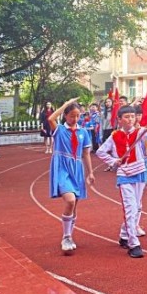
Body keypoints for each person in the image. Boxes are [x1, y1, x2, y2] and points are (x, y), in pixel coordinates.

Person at [96, 105, 147, 258]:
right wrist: (113, 161)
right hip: (124, 174)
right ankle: (133, 243)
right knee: (130, 208)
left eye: (132, 116)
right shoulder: (114, 136)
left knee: (137, 207)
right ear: (119, 119)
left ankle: (124, 234)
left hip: (140, 173)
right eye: (127, 117)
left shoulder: (140, 132)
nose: (130, 119)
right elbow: (100, 151)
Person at [48, 98, 95, 253]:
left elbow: (86, 154)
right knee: (70, 200)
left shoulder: (83, 132)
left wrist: (90, 173)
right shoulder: (60, 130)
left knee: (74, 205)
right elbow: (50, 118)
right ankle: (66, 237)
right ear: (65, 116)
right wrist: (66, 104)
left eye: (78, 116)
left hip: (77, 169)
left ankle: (69, 235)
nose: (75, 119)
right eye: (71, 116)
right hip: (62, 167)